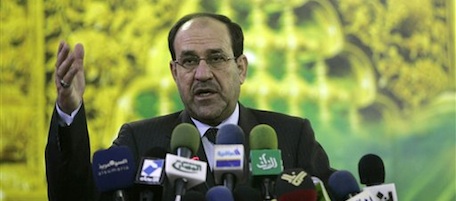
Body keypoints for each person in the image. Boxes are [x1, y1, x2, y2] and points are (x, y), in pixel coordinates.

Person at [45, 12, 335, 201]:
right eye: (189, 61)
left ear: (241, 68)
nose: (202, 73)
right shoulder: (141, 141)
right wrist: (68, 108)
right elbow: (74, 196)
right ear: (174, 72)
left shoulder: (291, 136)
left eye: (217, 58)